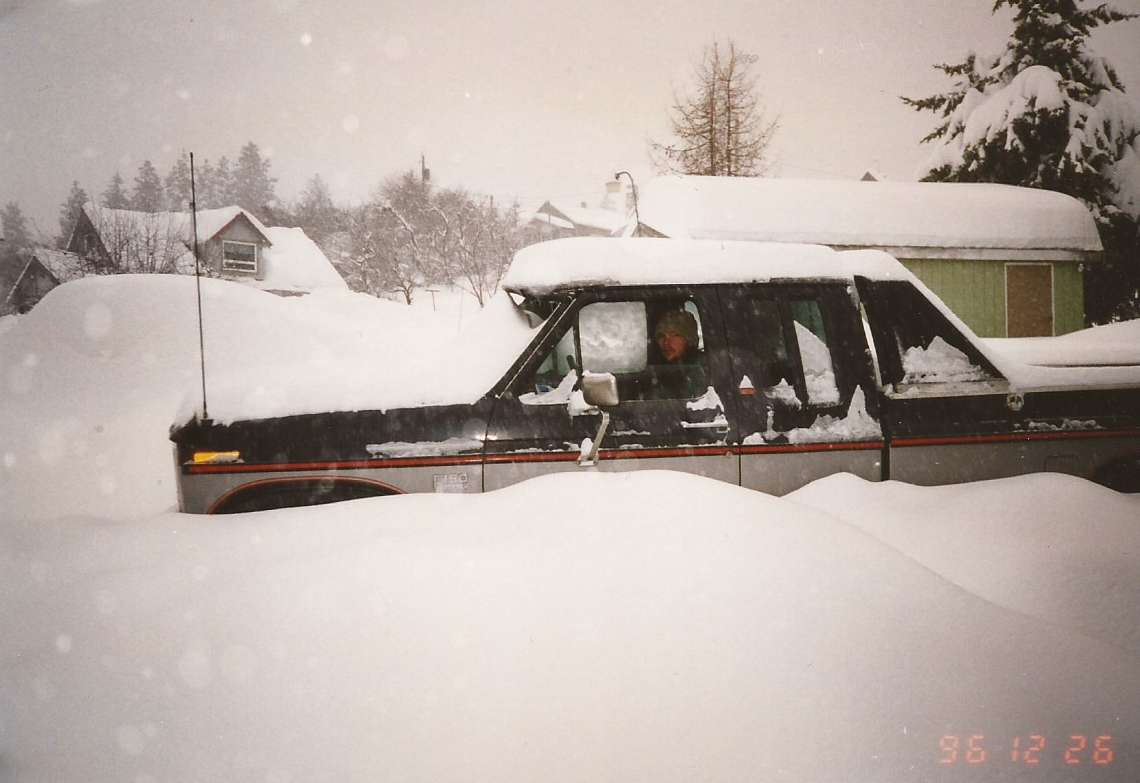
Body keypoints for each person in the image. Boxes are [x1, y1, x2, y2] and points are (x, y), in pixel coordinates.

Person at [647, 309, 706, 399]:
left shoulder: (702, 368)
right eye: (661, 336)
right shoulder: (659, 369)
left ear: (688, 339)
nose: (666, 342)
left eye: (674, 335)